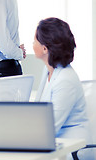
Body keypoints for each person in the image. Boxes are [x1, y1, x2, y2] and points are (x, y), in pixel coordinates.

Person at [33, 17, 93, 160]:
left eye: (35, 40)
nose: (32, 44)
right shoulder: (48, 70)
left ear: (45, 48)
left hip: (73, 149)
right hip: (58, 143)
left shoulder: (65, 80)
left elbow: (49, 128)